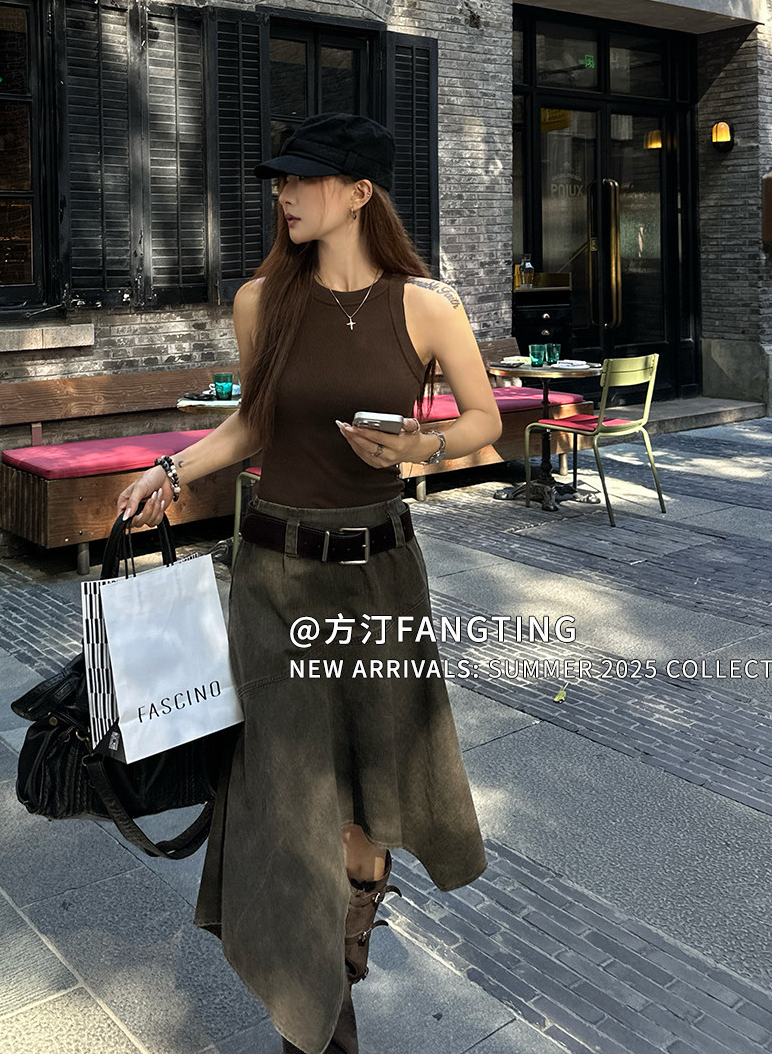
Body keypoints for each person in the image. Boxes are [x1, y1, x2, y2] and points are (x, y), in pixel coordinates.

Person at [117, 112, 502, 1054]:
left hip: (380, 578)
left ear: (359, 193)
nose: (283, 195)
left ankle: (356, 912)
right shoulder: (262, 301)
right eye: (280, 180)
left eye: (301, 179)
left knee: (369, 801)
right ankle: (319, 1015)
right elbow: (253, 426)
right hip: (276, 579)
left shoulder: (427, 305)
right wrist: (170, 470)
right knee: (294, 806)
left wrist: (418, 448)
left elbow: (484, 419)